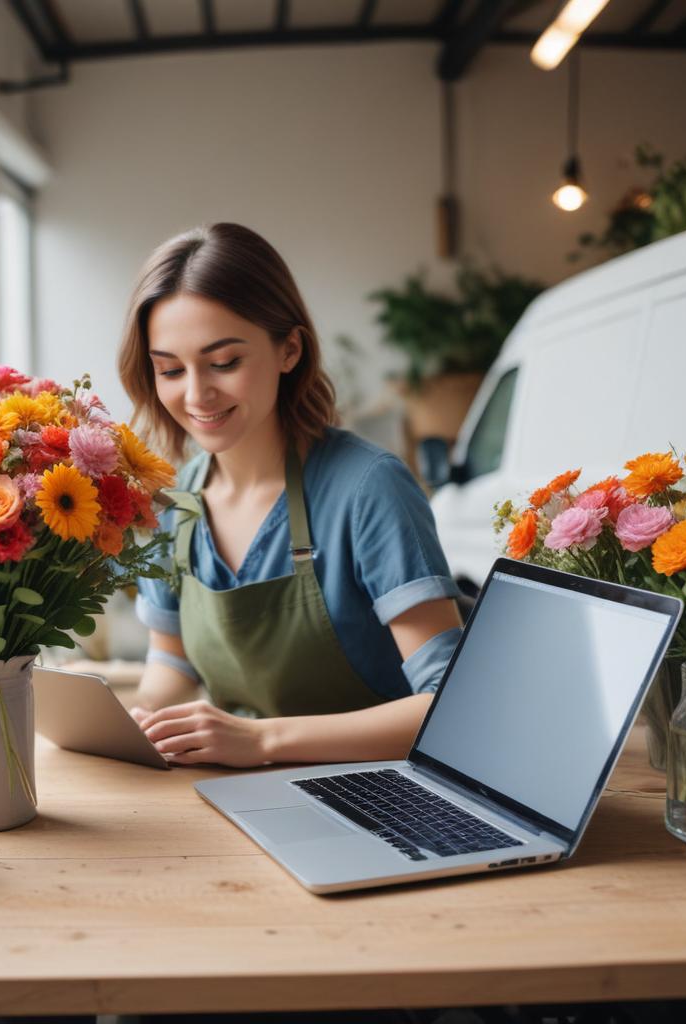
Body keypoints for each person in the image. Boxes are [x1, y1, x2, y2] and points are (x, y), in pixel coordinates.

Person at [118, 223, 464, 769]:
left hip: (376, 793)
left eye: (224, 362)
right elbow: (172, 661)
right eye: (170, 370)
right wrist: (142, 718)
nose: (196, 394)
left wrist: (262, 740)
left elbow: (450, 708)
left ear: (290, 350)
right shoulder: (175, 502)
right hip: (234, 790)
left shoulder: (368, 487)